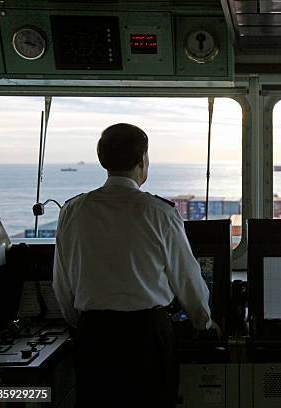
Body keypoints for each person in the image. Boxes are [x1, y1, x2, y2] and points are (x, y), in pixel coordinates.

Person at [52, 123, 215, 407]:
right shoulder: (160, 212)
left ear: (103, 161)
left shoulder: (73, 211)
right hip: (147, 337)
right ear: (142, 162)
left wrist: (83, 323)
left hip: (95, 336)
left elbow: (61, 282)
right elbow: (186, 278)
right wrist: (204, 322)